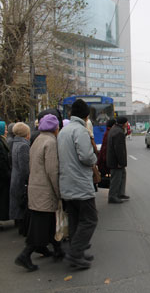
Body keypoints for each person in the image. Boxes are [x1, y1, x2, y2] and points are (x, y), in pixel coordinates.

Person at [14, 114, 63, 272]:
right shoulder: (51, 142)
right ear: (55, 128)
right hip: (45, 190)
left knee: (47, 222)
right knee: (41, 225)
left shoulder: (37, 140)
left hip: (35, 188)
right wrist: (58, 191)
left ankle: (57, 249)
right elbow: (52, 170)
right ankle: (25, 255)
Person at [58, 99, 98, 269]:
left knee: (75, 218)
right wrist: (95, 158)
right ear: (87, 116)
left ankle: (77, 252)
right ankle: (75, 254)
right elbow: (87, 157)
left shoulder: (63, 131)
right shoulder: (80, 131)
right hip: (80, 183)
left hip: (66, 183)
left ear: (70, 113)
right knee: (90, 219)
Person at [9, 123, 31, 236]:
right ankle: (23, 229)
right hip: (20, 180)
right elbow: (24, 168)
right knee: (22, 205)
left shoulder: (15, 143)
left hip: (15, 177)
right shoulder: (23, 146)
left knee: (18, 204)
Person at [106, 116, 129, 204]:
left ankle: (120, 193)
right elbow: (119, 149)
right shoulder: (118, 132)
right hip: (115, 161)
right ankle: (112, 196)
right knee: (116, 178)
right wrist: (120, 162)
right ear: (123, 123)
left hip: (114, 159)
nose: (127, 124)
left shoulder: (115, 129)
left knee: (122, 174)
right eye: (126, 123)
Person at [0, 121, 11, 222]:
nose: (6, 131)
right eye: (5, 129)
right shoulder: (1, 143)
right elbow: (2, 161)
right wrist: (8, 174)